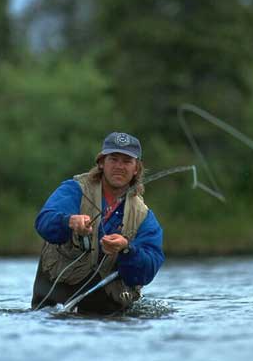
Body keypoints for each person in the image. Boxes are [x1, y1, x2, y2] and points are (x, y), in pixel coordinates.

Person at [32, 132, 164, 314]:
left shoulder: (144, 217)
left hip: (109, 311)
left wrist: (126, 249)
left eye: (126, 161)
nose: (119, 166)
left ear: (136, 169)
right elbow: (44, 221)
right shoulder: (74, 190)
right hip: (54, 304)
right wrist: (69, 222)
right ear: (102, 162)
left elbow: (149, 267)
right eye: (113, 159)